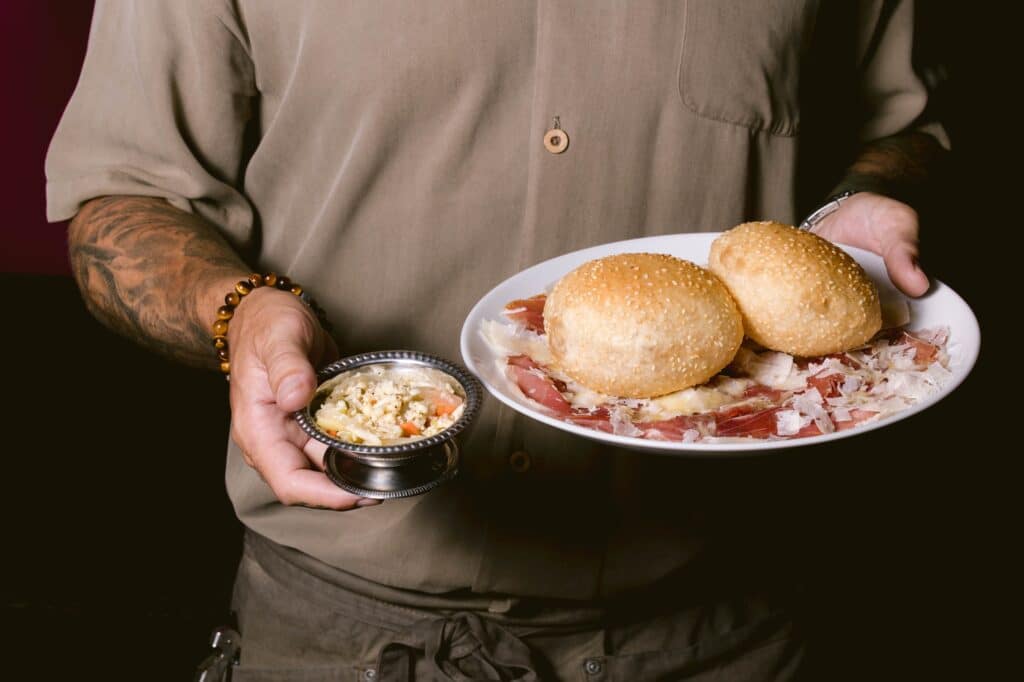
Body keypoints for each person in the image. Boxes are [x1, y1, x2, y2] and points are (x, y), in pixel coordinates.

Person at [46, 2, 947, 679]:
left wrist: (858, 211)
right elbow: (123, 200)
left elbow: (903, 127)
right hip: (339, 632)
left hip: (720, 630)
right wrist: (237, 308)